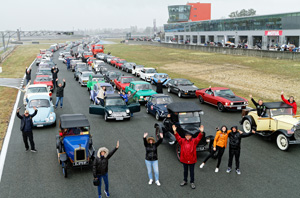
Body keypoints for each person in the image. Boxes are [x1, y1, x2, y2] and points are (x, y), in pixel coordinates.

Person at [173, 125, 204, 189]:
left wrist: (201, 132)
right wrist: (175, 131)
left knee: (192, 172)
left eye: (189, 136)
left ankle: (192, 182)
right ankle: (185, 180)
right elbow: (177, 137)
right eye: (186, 136)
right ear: (185, 136)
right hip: (184, 159)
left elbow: (198, 138)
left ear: (191, 136)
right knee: (185, 171)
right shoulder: (182, 141)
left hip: (192, 160)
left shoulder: (194, 141)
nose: (188, 137)